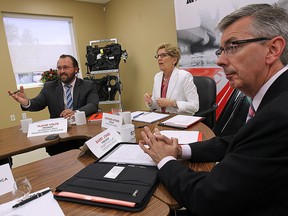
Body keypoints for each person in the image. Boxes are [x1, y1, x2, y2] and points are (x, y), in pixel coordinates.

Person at [139, 4, 288, 216]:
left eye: (233, 46)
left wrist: (165, 159)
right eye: (221, 50)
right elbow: (239, 139)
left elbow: (208, 198)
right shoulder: (273, 100)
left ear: (273, 50)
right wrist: (181, 150)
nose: (219, 60)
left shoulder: (278, 116)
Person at [9, 54, 99, 156]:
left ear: (76, 69)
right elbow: (37, 103)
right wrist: (26, 102)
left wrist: (75, 113)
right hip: (60, 139)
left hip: (82, 135)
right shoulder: (49, 87)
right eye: (59, 68)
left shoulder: (88, 85)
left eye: (66, 67)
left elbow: (92, 105)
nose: (62, 71)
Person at [143, 43, 199, 115]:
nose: (159, 58)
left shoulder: (185, 76)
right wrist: (150, 102)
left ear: (174, 60)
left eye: (164, 55)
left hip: (179, 120)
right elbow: (157, 106)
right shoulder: (157, 77)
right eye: (158, 56)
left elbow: (195, 106)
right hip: (161, 119)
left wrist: (172, 103)